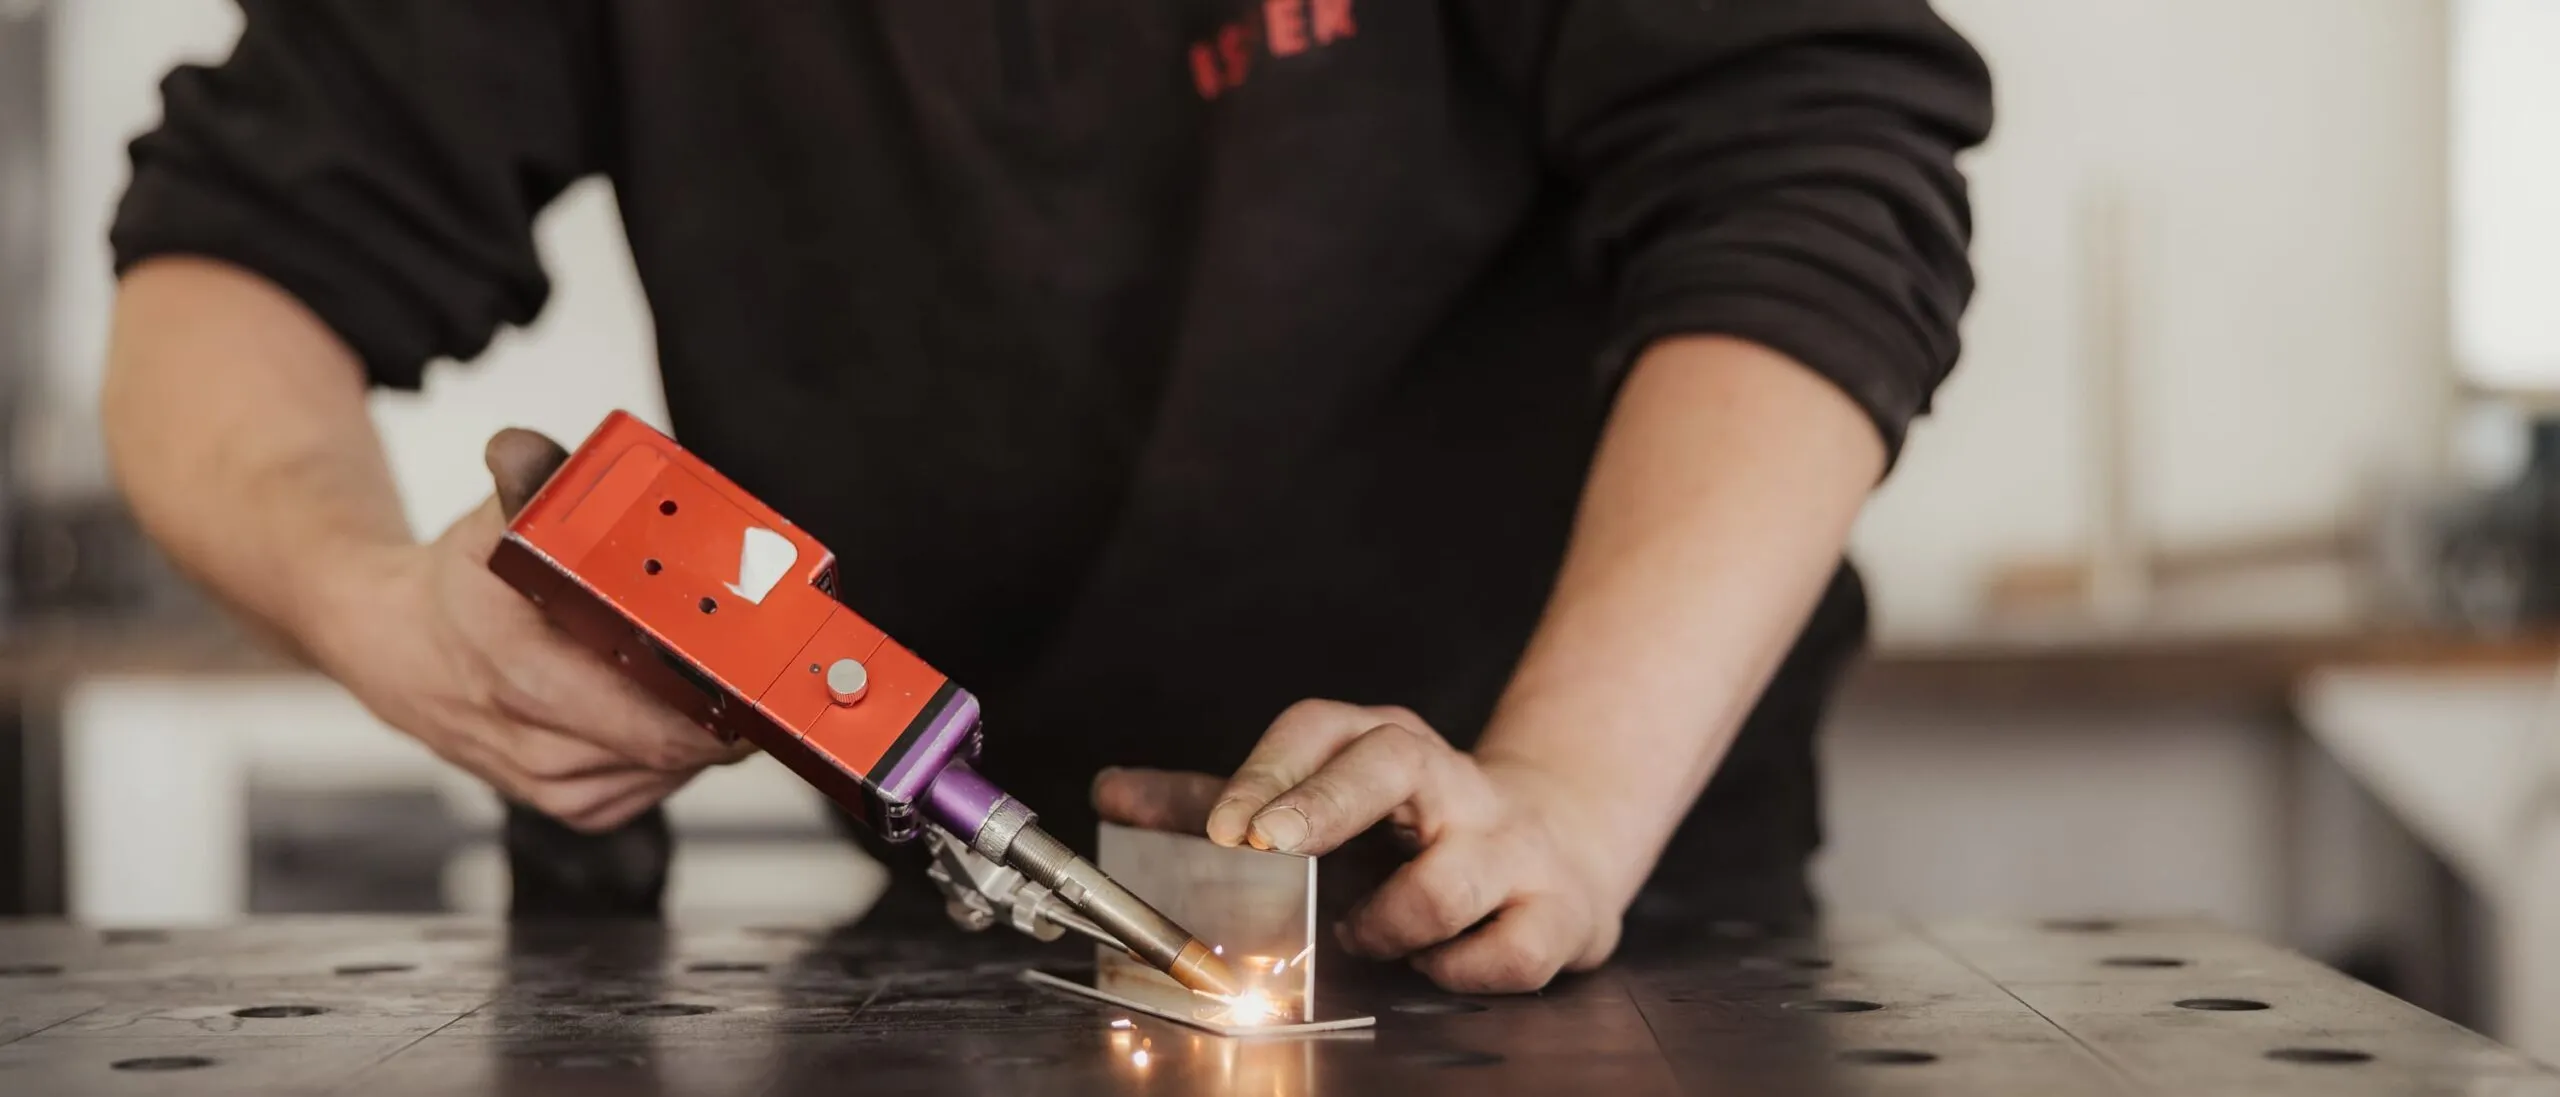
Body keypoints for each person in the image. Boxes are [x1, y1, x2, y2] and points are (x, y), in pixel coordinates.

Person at [100, 1, 1991, 993]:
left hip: (1607, 909)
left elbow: (1808, 167)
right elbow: (225, 274)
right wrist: (361, 598)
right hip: (974, 945)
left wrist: (1572, 788)